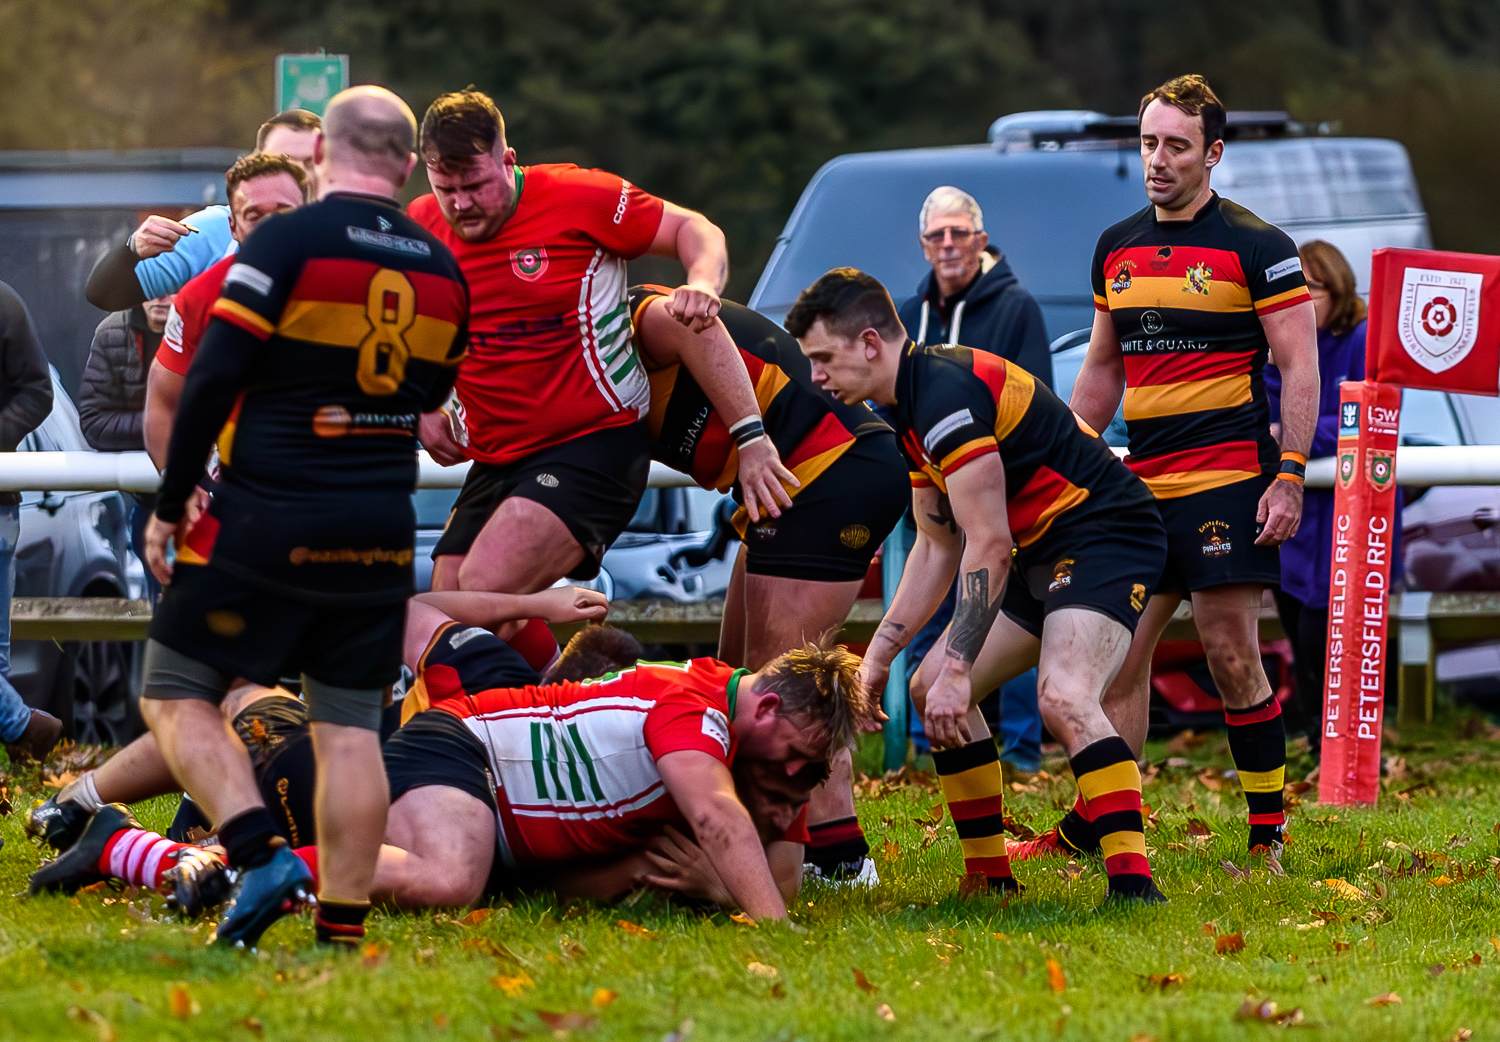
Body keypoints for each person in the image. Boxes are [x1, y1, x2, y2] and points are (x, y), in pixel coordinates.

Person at [140, 86, 469, 951]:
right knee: (352, 727)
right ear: (406, 164)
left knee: (174, 691)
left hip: (266, 518)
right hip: (379, 532)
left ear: (322, 155)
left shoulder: (285, 241)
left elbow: (210, 379)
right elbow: (431, 397)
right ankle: (343, 936)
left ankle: (259, 854)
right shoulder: (443, 269)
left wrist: (172, 504)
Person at [789, 268, 1168, 905]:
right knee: (930, 688)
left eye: (824, 358)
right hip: (1043, 545)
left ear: (871, 344)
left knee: (1063, 696)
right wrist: (877, 660)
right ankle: (990, 880)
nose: (816, 377)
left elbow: (986, 541)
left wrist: (961, 663)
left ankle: (1135, 888)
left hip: (1108, 534)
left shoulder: (943, 398)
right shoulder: (906, 408)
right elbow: (937, 546)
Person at [1050, 74, 1317, 862]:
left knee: (1231, 654)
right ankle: (1107, 829)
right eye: (1148, 143)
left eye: (1176, 146)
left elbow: (1299, 370)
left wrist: (1292, 473)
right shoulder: (1118, 247)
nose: (1158, 160)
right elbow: (1103, 369)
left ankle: (1266, 840)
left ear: (1213, 154)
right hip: (1142, 488)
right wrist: (1069, 458)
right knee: (1118, 663)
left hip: (1231, 479)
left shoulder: (1260, 247)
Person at [408, 89, 764, 607]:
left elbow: (694, 227)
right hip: (497, 455)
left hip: (592, 445)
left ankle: (551, 685)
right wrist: (419, 405)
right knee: (448, 604)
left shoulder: (578, 196)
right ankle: (557, 682)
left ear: (507, 162)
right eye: (446, 188)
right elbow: (399, 327)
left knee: (482, 588)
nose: (461, 203)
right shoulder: (421, 225)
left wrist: (703, 283)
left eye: (476, 185)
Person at [628, 284, 909, 881]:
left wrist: (751, 438)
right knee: (731, 678)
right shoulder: (571, 363)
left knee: (777, 692)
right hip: (799, 486)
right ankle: (758, 836)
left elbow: (694, 305)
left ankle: (837, 858)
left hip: (833, 466)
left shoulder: (633, 323)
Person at [896, 186, 1054, 780]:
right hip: (933, 485)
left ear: (981, 240)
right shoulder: (910, 313)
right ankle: (923, 746)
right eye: (936, 235)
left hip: (1002, 488)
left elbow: (1037, 395)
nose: (947, 245)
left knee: (1011, 608)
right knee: (931, 598)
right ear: (923, 244)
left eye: (958, 233)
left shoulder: (1017, 308)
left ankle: (1020, 752)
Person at [1267, 240, 1397, 764]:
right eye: (1292, 289)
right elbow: (1265, 416)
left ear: (1336, 288)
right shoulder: (1277, 344)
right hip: (1295, 520)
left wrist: (1293, 436)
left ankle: (1348, 754)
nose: (1299, 300)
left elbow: (1368, 417)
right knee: (1298, 633)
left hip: (1350, 520)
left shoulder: (1363, 338)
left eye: (1311, 289)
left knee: (1329, 637)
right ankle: (1320, 747)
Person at [143, 152, 311, 469]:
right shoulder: (199, 297)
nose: (271, 227)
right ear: (233, 227)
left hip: (335, 495)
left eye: (284, 212)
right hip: (242, 497)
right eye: (255, 215)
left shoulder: (353, 282)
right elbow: (164, 404)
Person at [84, 110, 322, 314]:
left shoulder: (349, 231)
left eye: (311, 163)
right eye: (285, 161)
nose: (300, 174)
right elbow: (105, 295)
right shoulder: (212, 230)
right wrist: (132, 249)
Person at [76, 295, 173, 601]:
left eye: (173, 283)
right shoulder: (113, 332)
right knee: (162, 609)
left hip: (219, 499)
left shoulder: (211, 324)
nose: (162, 295)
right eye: (154, 282)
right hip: (149, 502)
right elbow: (94, 422)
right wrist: (165, 427)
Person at [0, 281, 57, 763]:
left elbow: (38, 391)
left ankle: (21, 724)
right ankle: (21, 723)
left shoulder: (4, 302)